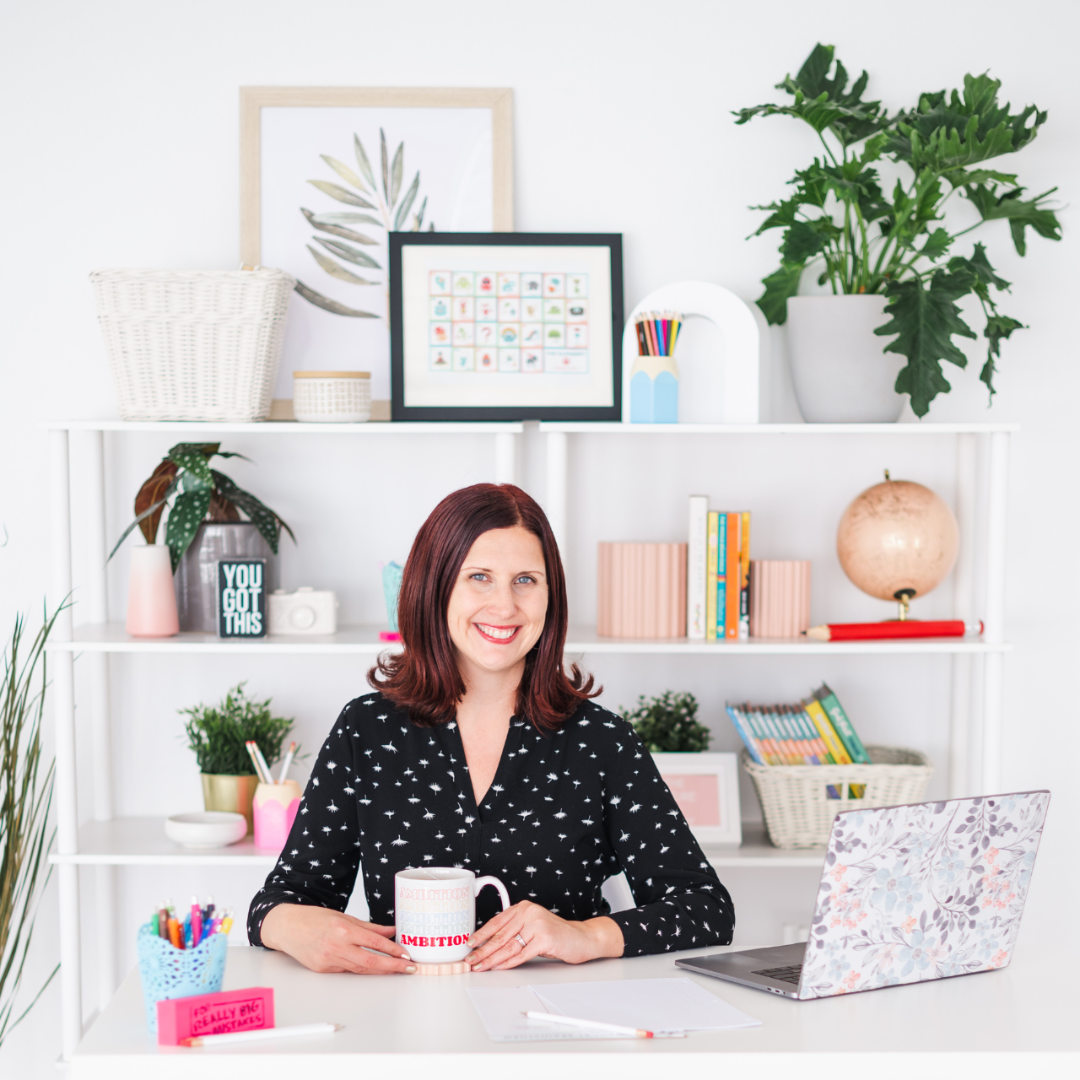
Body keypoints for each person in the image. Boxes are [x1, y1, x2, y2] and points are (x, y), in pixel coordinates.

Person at [248, 484, 734, 974]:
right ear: (435, 587)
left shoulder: (601, 741)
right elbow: (280, 900)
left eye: (526, 580)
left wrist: (585, 935)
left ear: (550, 597)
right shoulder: (366, 729)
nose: (504, 606)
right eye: (479, 577)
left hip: (563, 1022)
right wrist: (294, 926)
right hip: (409, 1023)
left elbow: (706, 908)